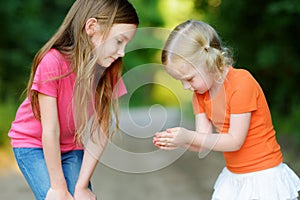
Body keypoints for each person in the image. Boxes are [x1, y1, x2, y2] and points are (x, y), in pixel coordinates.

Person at [153, 20, 300, 199]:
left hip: (263, 175)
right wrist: (177, 141)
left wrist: (187, 136)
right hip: (234, 176)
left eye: (189, 79)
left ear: (209, 61)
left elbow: (234, 141)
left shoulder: (242, 83)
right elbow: (204, 142)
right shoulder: (200, 95)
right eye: (180, 81)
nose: (185, 87)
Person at [8, 0, 139, 199]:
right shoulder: (52, 62)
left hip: (70, 146)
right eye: (119, 41)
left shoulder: (108, 70)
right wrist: (59, 187)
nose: (122, 52)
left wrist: (82, 186)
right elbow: (50, 130)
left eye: (126, 45)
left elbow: (100, 130)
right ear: (92, 27)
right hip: (33, 144)